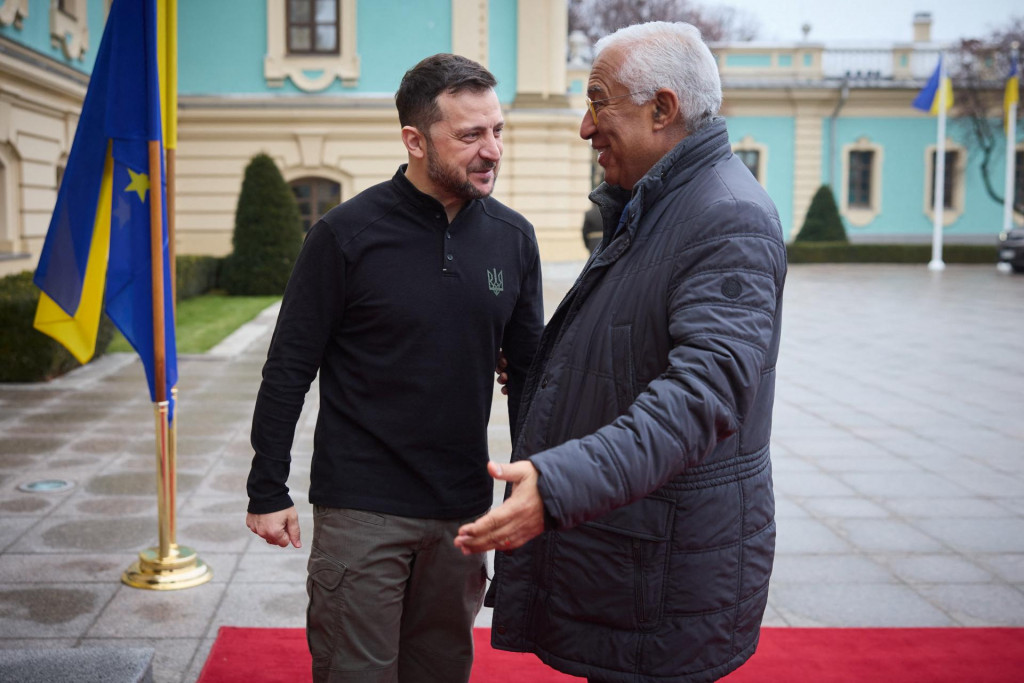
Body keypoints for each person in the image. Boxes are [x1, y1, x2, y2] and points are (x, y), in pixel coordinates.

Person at [455, 22, 787, 683]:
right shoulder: (660, 204)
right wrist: (539, 361)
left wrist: (559, 483)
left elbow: (703, 394)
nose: (584, 126)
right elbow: (633, 346)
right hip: (636, 554)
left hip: (665, 572)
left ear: (663, 109)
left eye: (598, 101)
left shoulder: (726, 216)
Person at [245, 53, 544, 683]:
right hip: (362, 508)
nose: (491, 150)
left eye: (497, 131)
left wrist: (529, 487)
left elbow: (530, 376)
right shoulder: (345, 234)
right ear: (414, 139)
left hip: (463, 510)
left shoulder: (514, 239)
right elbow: (288, 367)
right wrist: (267, 489)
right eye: (470, 135)